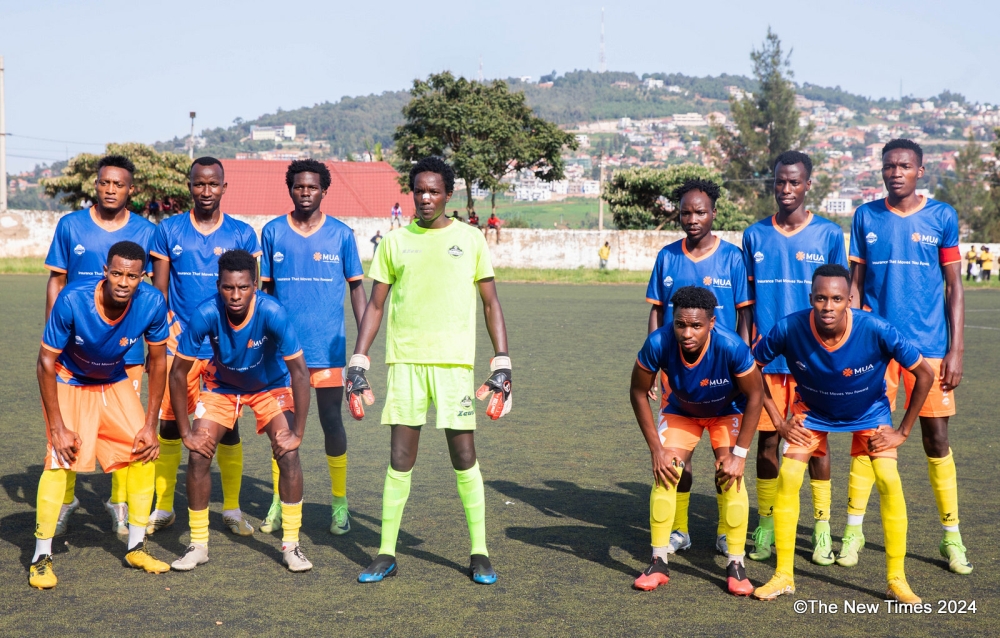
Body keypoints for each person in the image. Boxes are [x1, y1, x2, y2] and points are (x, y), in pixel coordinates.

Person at [347, 156, 511, 585]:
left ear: (447, 194)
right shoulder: (396, 242)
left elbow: (491, 303)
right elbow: (376, 305)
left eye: (433, 191)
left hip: (454, 366)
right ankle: (385, 552)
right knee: (399, 459)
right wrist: (358, 360)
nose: (425, 197)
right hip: (405, 363)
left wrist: (503, 362)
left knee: (464, 457)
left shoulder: (471, 239)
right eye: (419, 190)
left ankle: (479, 552)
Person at [752, 264, 933, 604]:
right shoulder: (789, 327)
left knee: (889, 480)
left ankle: (896, 579)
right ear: (811, 298)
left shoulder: (877, 329)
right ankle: (783, 576)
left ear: (850, 299)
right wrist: (778, 420)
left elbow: (924, 374)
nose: (828, 306)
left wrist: (902, 431)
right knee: (789, 475)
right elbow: (750, 368)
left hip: (869, 414)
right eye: (821, 298)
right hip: (812, 413)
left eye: (836, 298)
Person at [846, 139, 971, 574]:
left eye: (904, 166)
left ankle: (951, 537)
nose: (895, 172)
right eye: (888, 166)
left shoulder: (942, 216)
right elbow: (855, 285)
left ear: (920, 171)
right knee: (868, 437)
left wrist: (955, 349)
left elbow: (954, 287)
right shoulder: (865, 216)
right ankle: (854, 529)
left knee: (936, 440)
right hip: (877, 350)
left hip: (930, 350)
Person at [30, 241, 171, 589]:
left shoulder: (152, 302)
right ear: (106, 272)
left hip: (112, 378)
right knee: (61, 459)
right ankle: (40, 557)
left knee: (143, 451)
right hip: (69, 377)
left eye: (133, 276)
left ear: (143, 277)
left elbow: (157, 361)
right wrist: (57, 427)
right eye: (118, 273)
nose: (124, 282)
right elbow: (46, 362)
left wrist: (150, 425)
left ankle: (136, 547)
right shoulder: (73, 298)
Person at [168, 250, 313, 573]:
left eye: (244, 288)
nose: (235, 296)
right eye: (228, 288)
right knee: (197, 455)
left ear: (256, 285)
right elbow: (177, 374)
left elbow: (300, 373)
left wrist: (298, 432)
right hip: (221, 387)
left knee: (288, 454)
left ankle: (292, 546)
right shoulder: (205, 313)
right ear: (218, 285)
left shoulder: (273, 311)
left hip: (269, 387)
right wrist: (186, 432)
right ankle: (198, 545)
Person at [43, 154, 157, 541]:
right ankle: (66, 500)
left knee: (129, 433)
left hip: (128, 352)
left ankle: (120, 505)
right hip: (76, 346)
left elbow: (151, 291)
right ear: (96, 184)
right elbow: (57, 281)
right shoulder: (70, 225)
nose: (111, 189)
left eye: (118, 184)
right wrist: (51, 334)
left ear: (131, 189)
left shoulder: (146, 231)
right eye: (104, 183)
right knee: (70, 429)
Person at [145, 157, 262, 537]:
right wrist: (161, 340)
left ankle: (231, 507)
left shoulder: (243, 234)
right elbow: (158, 291)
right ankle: (164, 507)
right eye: (199, 184)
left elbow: (251, 295)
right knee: (168, 424)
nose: (206, 191)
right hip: (181, 345)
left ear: (224, 188)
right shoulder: (169, 230)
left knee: (227, 428)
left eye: (213, 184)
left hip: (226, 347)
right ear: (189, 186)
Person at [741, 151, 848, 565]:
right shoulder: (754, 235)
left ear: (808, 185)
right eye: (779, 182)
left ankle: (822, 527)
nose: (786, 190)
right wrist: (748, 346)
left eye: (794, 182)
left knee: (816, 447)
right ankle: (765, 523)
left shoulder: (828, 234)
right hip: (766, 361)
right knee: (767, 443)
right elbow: (746, 304)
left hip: (813, 360)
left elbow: (839, 298)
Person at [629, 286, 764, 596]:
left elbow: (756, 394)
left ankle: (736, 563)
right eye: (680, 324)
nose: (686, 332)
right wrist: (656, 450)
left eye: (696, 325)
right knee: (667, 471)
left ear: (711, 323)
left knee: (730, 476)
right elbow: (638, 391)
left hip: (725, 411)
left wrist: (740, 454)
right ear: (672, 321)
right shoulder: (658, 343)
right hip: (681, 411)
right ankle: (659, 561)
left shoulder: (732, 346)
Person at [645, 178, 752, 557]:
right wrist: (657, 368)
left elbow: (744, 316)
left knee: (726, 459)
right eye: (686, 212)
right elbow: (657, 313)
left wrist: (741, 368)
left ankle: (726, 531)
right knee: (678, 460)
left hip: (725, 378)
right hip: (679, 376)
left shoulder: (733, 257)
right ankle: (680, 530)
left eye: (700, 212)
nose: (693, 219)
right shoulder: (667, 257)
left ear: (714, 213)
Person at [260, 159, 367, 535]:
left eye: (313, 187)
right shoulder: (272, 231)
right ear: (290, 189)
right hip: (282, 354)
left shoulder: (341, 234)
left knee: (331, 422)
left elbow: (357, 288)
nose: (305, 193)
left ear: (324, 190)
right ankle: (277, 500)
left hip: (327, 350)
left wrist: (361, 347)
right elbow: (265, 294)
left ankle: (340, 504)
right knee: (283, 429)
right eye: (299, 187)